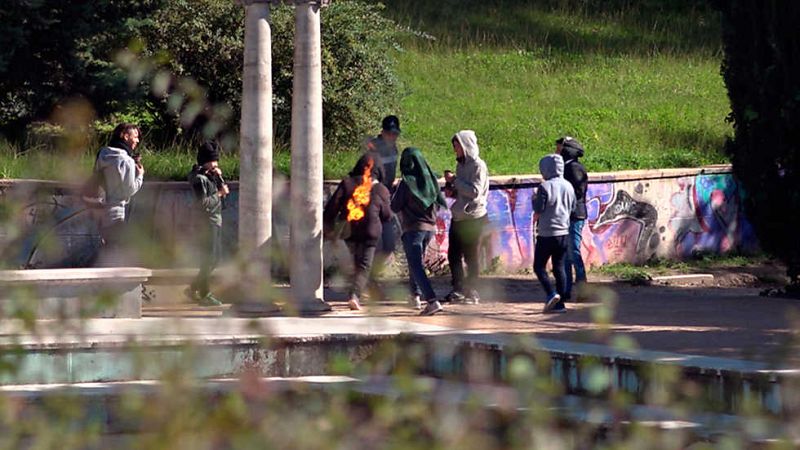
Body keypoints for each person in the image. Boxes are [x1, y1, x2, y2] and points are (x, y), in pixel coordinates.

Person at [323, 154, 392, 311]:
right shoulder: (381, 189)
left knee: (358, 263)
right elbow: (387, 215)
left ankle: (367, 290)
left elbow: (332, 208)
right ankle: (354, 295)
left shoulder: (347, 184)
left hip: (350, 231)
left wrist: (328, 227)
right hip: (371, 232)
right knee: (364, 265)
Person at [391, 147, 448, 316]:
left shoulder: (407, 183)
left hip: (413, 229)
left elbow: (394, 206)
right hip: (429, 228)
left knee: (416, 265)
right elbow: (438, 202)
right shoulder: (431, 180)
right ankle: (414, 295)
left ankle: (431, 300)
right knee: (415, 263)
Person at [443, 130, 489, 304]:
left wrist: (455, 181)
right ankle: (458, 288)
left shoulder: (478, 166)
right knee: (453, 254)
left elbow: (475, 192)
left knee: (471, 256)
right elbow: (463, 191)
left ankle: (473, 290)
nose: (456, 151)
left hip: (474, 217)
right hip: (459, 216)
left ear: (466, 146)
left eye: (457, 147)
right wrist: (452, 191)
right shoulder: (460, 166)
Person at [93, 123, 144, 266]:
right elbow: (129, 190)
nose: (138, 140)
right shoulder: (126, 161)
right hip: (116, 211)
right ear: (125, 136)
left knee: (108, 248)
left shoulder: (103, 154)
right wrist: (140, 175)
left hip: (100, 208)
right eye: (135, 137)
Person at [186, 141, 229, 307]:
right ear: (205, 160)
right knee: (210, 259)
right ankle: (204, 293)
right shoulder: (198, 178)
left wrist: (219, 178)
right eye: (213, 161)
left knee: (215, 258)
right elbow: (202, 203)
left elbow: (221, 190)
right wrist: (219, 193)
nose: (216, 164)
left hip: (215, 220)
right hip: (207, 222)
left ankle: (193, 288)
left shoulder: (209, 176)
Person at [533, 153, 575, 314]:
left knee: (539, 266)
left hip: (546, 233)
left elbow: (539, 209)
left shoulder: (545, 186)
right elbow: (572, 208)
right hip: (563, 232)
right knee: (559, 267)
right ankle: (561, 304)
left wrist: (534, 199)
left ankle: (551, 293)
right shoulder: (568, 186)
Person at [366, 115, 402, 293]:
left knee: (388, 245)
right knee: (372, 243)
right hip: (372, 200)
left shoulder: (393, 148)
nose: (393, 136)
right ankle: (367, 281)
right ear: (383, 132)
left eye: (395, 133)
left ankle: (370, 277)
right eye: (390, 133)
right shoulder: (373, 147)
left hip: (386, 199)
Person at [556, 136, 588, 300]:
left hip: (574, 215)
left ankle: (582, 288)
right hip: (567, 214)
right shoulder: (565, 167)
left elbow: (578, 192)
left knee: (573, 251)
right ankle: (565, 290)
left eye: (559, 148)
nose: (556, 151)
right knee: (566, 253)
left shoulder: (574, 168)